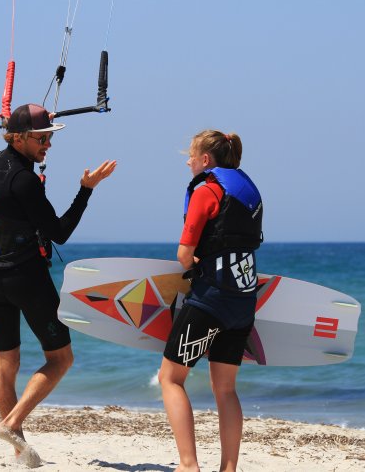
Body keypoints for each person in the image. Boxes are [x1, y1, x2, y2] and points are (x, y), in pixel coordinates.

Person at [0, 103, 116, 467]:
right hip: (27, 279)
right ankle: (12, 422)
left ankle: (20, 450)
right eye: (41, 139)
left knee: (5, 366)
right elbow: (60, 233)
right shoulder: (25, 182)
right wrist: (86, 190)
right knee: (61, 358)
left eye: (49, 138)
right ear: (19, 137)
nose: (48, 146)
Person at [158, 130, 263, 472]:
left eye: (190, 156)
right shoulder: (248, 193)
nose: (188, 161)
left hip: (210, 302)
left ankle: (188, 465)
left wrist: (192, 264)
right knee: (226, 389)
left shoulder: (207, 191)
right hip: (244, 303)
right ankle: (228, 469)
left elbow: (184, 255)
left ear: (206, 160)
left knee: (170, 378)